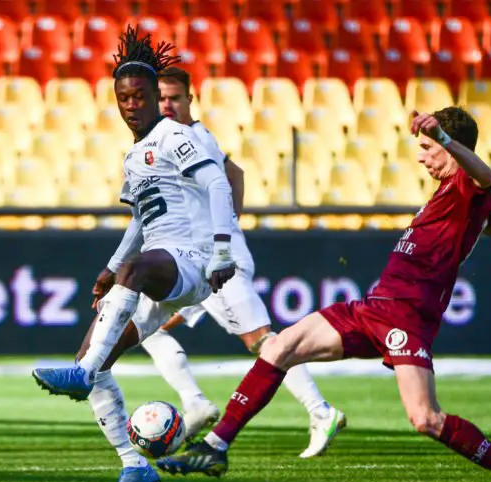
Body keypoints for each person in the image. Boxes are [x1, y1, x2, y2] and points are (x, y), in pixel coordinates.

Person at [156, 107, 491, 482]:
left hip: (407, 318)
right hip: (372, 308)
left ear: (450, 148)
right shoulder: (450, 197)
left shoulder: (470, 187)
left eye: (428, 149)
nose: (422, 157)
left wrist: (444, 137)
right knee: (278, 348)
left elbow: (486, 176)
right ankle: (215, 447)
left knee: (426, 419)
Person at [32, 26, 237, 482]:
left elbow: (218, 186)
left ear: (154, 97)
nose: (131, 104)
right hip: (156, 268)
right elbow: (142, 221)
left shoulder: (174, 136)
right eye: (122, 97)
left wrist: (223, 250)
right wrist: (110, 268)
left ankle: (81, 379)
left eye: (139, 95)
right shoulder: (133, 155)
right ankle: (134, 466)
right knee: (92, 356)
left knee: (136, 272)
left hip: (192, 260)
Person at [136, 67, 346, 457]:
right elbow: (235, 171)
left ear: (189, 100)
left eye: (175, 97)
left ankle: (321, 410)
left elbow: (229, 178)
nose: (167, 104)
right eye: (161, 97)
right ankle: (195, 402)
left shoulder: (192, 137)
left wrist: (227, 234)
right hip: (195, 259)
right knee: (147, 326)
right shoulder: (184, 138)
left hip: (215, 261)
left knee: (263, 340)